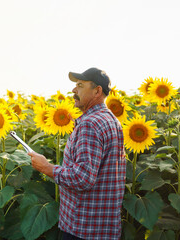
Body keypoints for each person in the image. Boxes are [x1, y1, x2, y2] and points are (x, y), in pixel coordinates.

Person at [28, 67, 126, 240]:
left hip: (83, 227)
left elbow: (83, 177)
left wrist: (47, 167)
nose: (74, 90)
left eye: (80, 85)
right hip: (104, 226)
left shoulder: (90, 124)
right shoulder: (111, 119)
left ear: (97, 91)